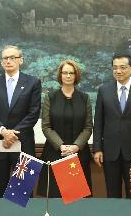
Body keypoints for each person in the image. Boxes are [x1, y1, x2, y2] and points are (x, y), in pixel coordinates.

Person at [0, 45, 42, 198]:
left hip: (23, 144)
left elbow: (33, 113)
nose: (8, 61)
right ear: (2, 62)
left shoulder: (33, 83)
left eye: (12, 57)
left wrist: (12, 134)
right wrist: (3, 131)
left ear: (20, 60)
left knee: (23, 195)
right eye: (5, 58)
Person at [93, 53, 131, 198]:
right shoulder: (104, 90)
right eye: (115, 68)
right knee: (112, 193)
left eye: (122, 67)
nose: (118, 71)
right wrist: (97, 148)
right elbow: (99, 121)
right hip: (110, 151)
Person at [39, 59, 93, 197]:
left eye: (71, 73)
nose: (68, 76)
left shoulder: (84, 98)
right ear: (60, 75)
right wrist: (61, 146)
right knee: (54, 198)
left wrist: (76, 146)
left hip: (78, 154)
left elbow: (88, 127)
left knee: (77, 198)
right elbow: (46, 126)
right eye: (65, 73)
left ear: (76, 75)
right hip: (55, 152)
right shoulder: (50, 97)